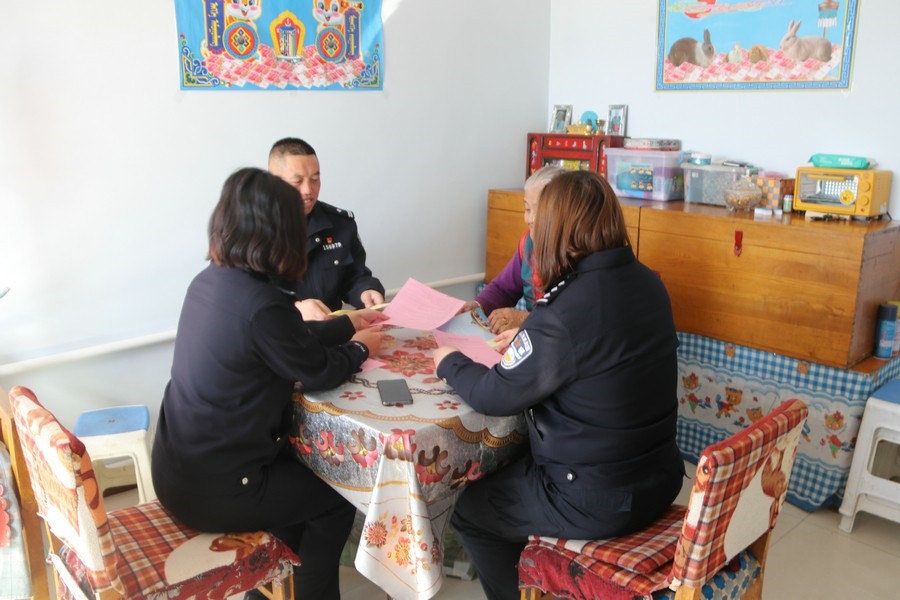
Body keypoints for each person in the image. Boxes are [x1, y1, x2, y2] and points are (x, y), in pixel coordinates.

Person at [433, 170, 684, 600]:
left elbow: (493, 394)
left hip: (597, 499)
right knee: (511, 470)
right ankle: (534, 572)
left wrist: (449, 362)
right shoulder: (649, 283)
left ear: (556, 230)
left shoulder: (564, 310)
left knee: (471, 508)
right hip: (660, 477)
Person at [151, 167, 386, 600]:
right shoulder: (262, 305)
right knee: (340, 494)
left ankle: (270, 588)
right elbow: (318, 369)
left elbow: (285, 340)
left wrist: (347, 324)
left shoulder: (211, 281)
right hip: (216, 491)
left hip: (175, 470)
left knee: (298, 489)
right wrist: (360, 348)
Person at [268, 137, 385, 320]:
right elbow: (238, 295)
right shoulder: (247, 231)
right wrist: (295, 308)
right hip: (277, 332)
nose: (308, 190)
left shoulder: (340, 224)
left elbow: (354, 276)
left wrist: (365, 290)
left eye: (315, 179)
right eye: (297, 181)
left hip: (332, 330)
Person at [461, 165, 564, 336]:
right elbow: (503, 288)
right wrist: (478, 306)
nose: (530, 219)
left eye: (539, 210)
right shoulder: (528, 244)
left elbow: (570, 319)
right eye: (527, 209)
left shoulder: (574, 254)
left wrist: (524, 319)